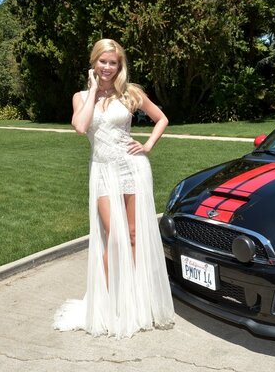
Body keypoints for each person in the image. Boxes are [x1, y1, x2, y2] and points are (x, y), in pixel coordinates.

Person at [53, 39, 174, 338]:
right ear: (94, 63)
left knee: (133, 236)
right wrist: (94, 90)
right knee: (115, 238)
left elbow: (161, 119)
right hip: (103, 173)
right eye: (103, 61)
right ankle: (107, 303)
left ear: (120, 66)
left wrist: (146, 145)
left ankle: (133, 299)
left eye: (113, 63)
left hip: (132, 168)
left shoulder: (130, 93)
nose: (108, 67)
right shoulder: (81, 97)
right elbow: (81, 128)